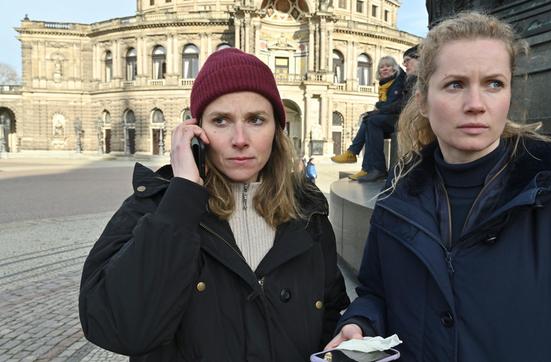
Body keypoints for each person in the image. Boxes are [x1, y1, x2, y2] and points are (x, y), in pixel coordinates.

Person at [326, 11, 551, 361]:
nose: (476, 105)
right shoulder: (395, 201)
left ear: (509, 94)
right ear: (423, 101)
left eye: (494, 83)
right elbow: (378, 293)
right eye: (455, 84)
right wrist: (361, 322)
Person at [79, 48, 349, 361]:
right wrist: (181, 198)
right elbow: (119, 328)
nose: (240, 139)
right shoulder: (154, 209)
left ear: (277, 129)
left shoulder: (309, 213)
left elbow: (330, 315)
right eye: (221, 120)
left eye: (256, 120)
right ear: (196, 132)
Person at [331, 55, 406, 182]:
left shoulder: (398, 81)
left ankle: (374, 167)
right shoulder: (385, 84)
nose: (385, 69)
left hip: (400, 119)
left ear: (395, 69)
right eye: (382, 67)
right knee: (368, 120)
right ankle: (364, 166)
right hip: (391, 118)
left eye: (388, 66)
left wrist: (378, 106)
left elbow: (395, 105)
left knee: (372, 120)